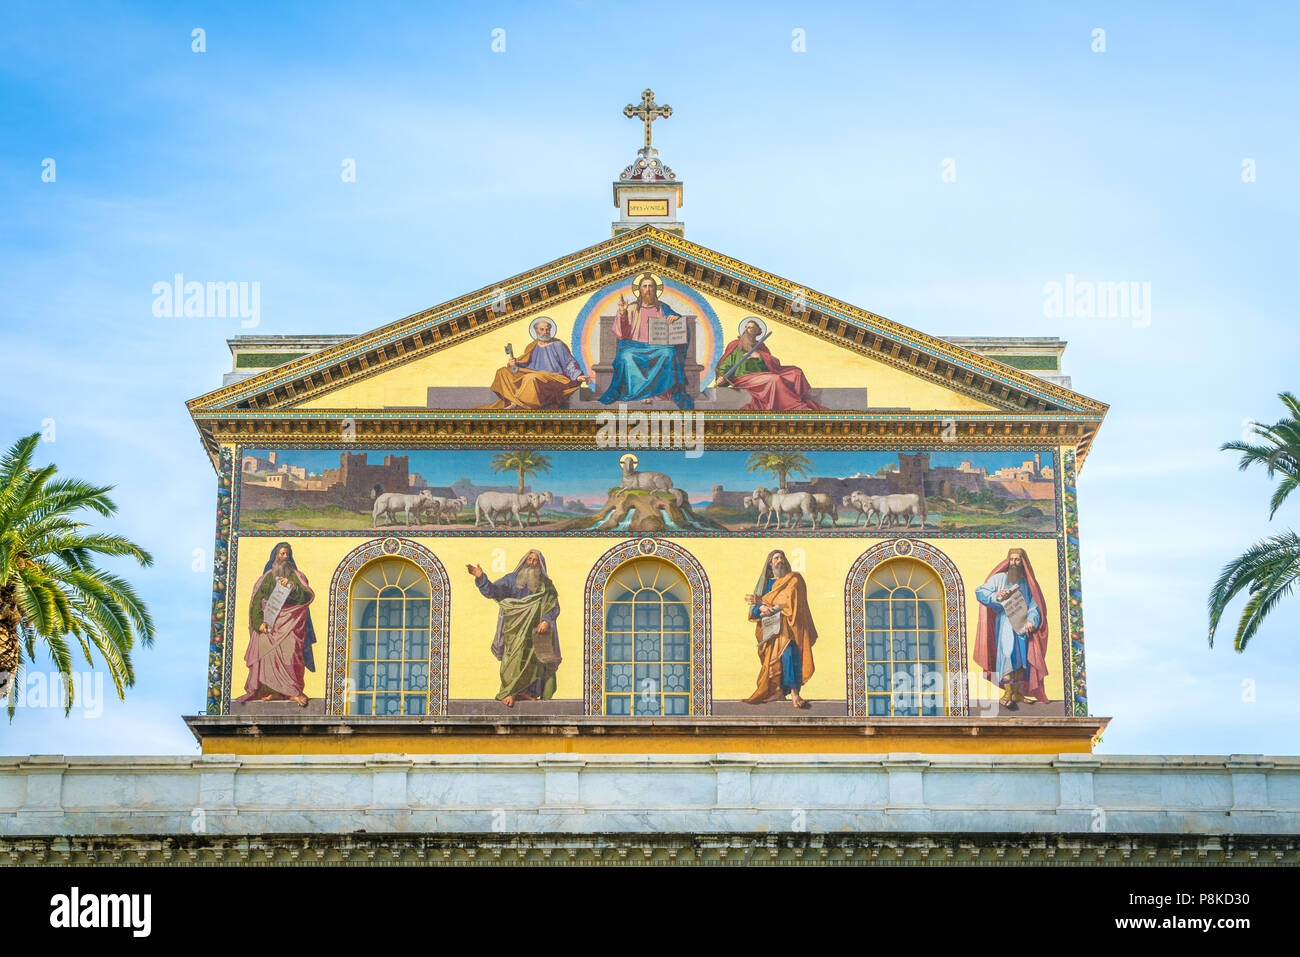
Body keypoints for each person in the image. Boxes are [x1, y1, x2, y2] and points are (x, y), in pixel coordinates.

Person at [466, 549, 561, 706]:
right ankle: (510, 692)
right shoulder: (511, 580)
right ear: (524, 561)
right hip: (514, 629)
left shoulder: (546, 585)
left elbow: (553, 605)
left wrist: (546, 620)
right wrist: (481, 578)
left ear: (540, 564)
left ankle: (526, 693)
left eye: (535, 560)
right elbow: (494, 591)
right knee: (512, 659)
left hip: (536, 631)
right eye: (529, 559)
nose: (532, 563)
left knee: (536, 662)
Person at [597, 274, 694, 409]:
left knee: (669, 353)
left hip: (657, 347)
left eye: (650, 286)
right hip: (634, 346)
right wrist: (622, 313)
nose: (648, 289)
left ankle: (661, 393)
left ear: (655, 289)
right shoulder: (631, 308)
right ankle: (641, 394)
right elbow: (622, 334)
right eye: (645, 286)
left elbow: (679, 321)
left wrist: (674, 317)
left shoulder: (663, 308)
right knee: (626, 356)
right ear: (640, 290)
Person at [239, 541, 316, 707]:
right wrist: (259, 622)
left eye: (287, 554)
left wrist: (292, 586)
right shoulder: (266, 578)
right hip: (269, 623)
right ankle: (274, 691)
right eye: (281, 553)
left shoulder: (297, 576)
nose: (284, 557)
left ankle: (293, 692)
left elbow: (306, 596)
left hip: (291, 624)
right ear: (275, 556)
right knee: (266, 651)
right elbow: (257, 601)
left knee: (291, 654)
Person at [974, 547, 1050, 710]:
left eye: (1018, 560)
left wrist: (1032, 620)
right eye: (1012, 559)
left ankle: (1017, 693)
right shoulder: (999, 578)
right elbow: (981, 592)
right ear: (1008, 561)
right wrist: (996, 596)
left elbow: (1034, 604)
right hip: (1005, 624)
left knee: (1022, 660)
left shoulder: (1028, 583)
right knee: (1007, 656)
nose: (1014, 563)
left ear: (1023, 562)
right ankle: (1008, 692)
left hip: (1023, 627)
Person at [743, 549, 817, 709]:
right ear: (770, 563)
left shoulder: (794, 579)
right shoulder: (765, 584)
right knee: (773, 662)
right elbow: (754, 610)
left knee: (790, 653)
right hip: (770, 631)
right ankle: (777, 691)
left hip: (790, 627)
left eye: (782, 558)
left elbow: (794, 601)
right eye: (776, 558)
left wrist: (765, 603)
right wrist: (762, 607)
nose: (779, 560)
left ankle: (794, 692)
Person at [715, 319, 827, 411]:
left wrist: (759, 356)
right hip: (744, 378)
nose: (747, 330)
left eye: (751, 328)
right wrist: (721, 378)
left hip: (763, 375)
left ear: (757, 332)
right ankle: (795, 407)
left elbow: (773, 364)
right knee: (774, 379)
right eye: (746, 327)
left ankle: (801, 400)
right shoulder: (735, 345)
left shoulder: (761, 347)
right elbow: (725, 364)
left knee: (796, 373)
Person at [484, 319, 592, 409]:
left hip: (554, 377)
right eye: (542, 329)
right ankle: (514, 400)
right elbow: (525, 366)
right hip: (533, 374)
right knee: (502, 371)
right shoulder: (532, 346)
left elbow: (569, 363)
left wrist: (577, 376)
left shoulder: (558, 345)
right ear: (536, 331)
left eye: (547, 329)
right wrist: (514, 365)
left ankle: (517, 404)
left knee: (530, 379)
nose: (545, 331)